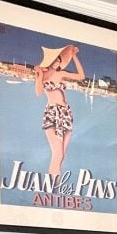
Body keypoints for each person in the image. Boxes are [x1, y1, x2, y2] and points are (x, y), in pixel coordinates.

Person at [34, 44, 85, 177]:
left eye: (59, 60)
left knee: (62, 155)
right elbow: (39, 92)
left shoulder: (61, 73)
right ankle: (52, 183)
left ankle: (55, 184)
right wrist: (39, 75)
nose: (58, 62)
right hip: (52, 113)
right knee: (58, 153)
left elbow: (81, 76)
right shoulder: (43, 75)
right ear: (49, 61)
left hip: (66, 114)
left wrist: (74, 56)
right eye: (56, 59)